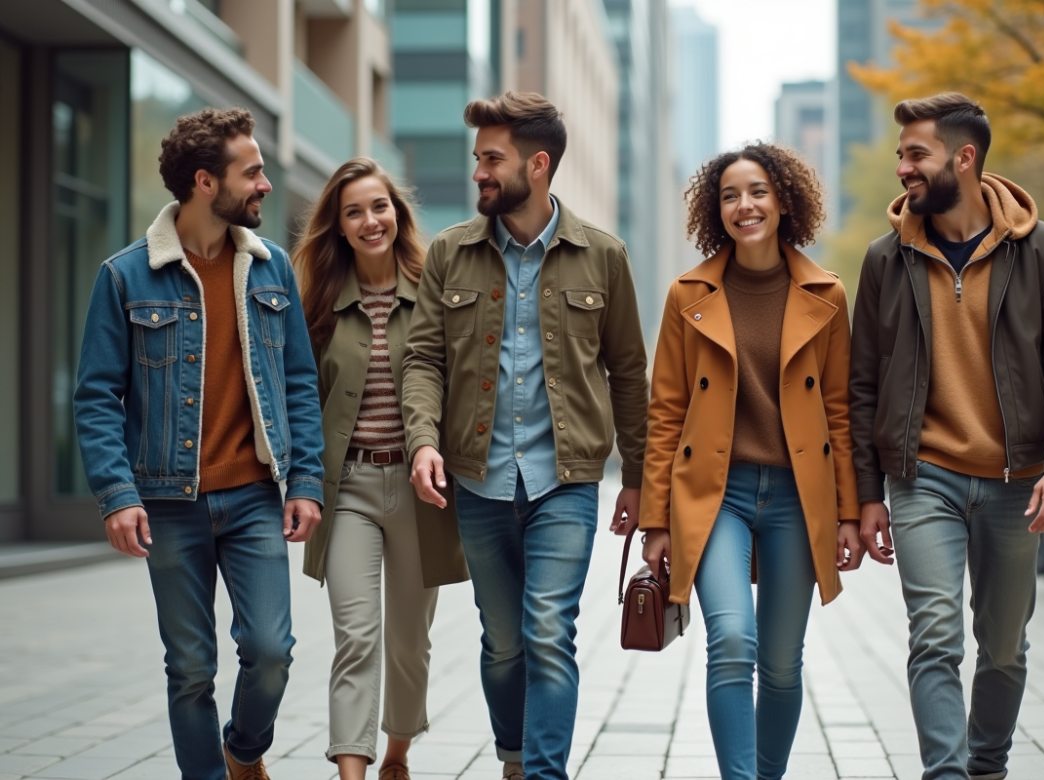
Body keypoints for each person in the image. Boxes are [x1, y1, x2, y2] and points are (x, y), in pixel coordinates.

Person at [401, 92, 648, 780]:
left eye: (491, 159)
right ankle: (513, 757)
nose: (478, 171)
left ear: (537, 166)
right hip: (477, 480)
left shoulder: (603, 256)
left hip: (565, 481)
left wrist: (638, 478)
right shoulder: (451, 252)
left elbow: (629, 371)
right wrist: (424, 440)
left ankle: (542, 773)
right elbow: (422, 358)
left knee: (547, 633)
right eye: (478, 158)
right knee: (504, 642)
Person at [73, 107, 325, 780]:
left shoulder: (271, 272)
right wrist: (117, 495)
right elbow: (97, 396)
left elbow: (299, 383)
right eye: (254, 172)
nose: (266, 184)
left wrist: (305, 483)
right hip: (168, 500)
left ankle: (244, 750)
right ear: (206, 183)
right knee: (189, 669)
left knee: (271, 651)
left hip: (252, 497)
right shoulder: (125, 277)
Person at [849, 93, 1044, 780]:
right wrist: (868, 496)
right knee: (934, 637)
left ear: (964, 157)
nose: (903, 168)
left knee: (1005, 645)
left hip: (1018, 482)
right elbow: (861, 385)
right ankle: (947, 775)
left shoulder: (1040, 250)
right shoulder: (884, 259)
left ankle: (987, 766)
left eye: (916, 154)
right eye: (900, 155)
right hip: (921, 475)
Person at [639, 143, 863, 780]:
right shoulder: (688, 295)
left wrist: (848, 512)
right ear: (717, 211)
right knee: (732, 641)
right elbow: (666, 412)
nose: (745, 205)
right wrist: (658, 520)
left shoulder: (826, 295)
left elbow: (841, 412)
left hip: (799, 495)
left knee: (783, 662)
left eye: (758, 191)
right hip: (717, 495)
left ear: (784, 200)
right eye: (731, 195)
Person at [294, 158, 470, 780]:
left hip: (422, 492)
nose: (370, 221)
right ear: (338, 228)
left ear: (397, 213)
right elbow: (299, 397)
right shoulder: (315, 302)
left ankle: (397, 752)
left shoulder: (435, 291)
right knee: (357, 636)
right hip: (349, 491)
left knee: (408, 644)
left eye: (379, 207)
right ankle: (352, 771)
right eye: (354, 212)